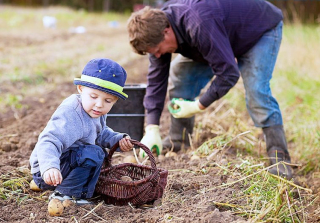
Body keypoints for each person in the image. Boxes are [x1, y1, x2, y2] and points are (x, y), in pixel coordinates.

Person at [127, 0, 292, 179]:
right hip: (219, 37)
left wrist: (199, 105)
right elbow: (156, 81)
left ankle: (279, 157)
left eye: (158, 50)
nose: (158, 56)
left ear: (166, 31)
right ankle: (178, 140)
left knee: (257, 92)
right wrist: (152, 127)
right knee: (180, 74)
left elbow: (228, 74)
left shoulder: (198, 24)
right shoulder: (155, 29)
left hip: (258, 32)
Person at [29, 58, 134, 205]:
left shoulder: (96, 111)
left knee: (97, 152)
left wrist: (117, 140)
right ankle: (65, 195)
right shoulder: (71, 113)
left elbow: (100, 133)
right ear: (81, 89)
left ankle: (79, 191)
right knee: (94, 153)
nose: (99, 104)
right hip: (48, 170)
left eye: (108, 101)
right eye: (93, 97)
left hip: (64, 164)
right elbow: (49, 140)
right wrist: (50, 167)